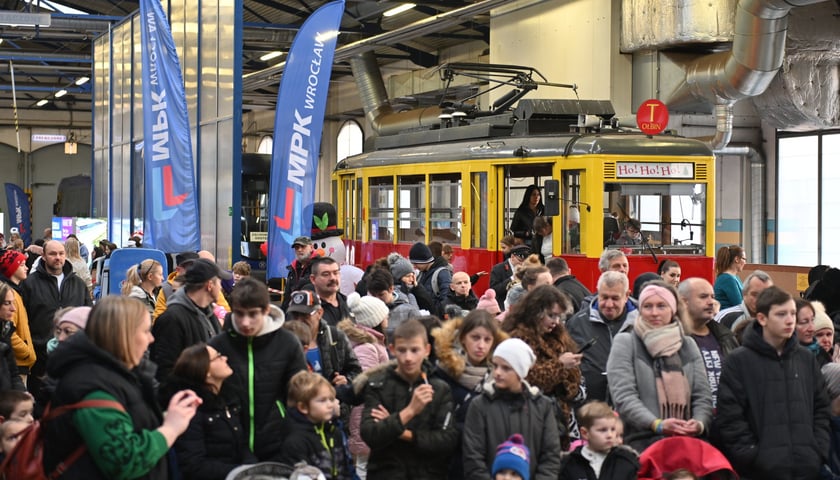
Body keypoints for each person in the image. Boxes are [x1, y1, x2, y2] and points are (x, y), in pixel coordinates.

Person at [43, 295, 202, 479]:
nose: (151, 339)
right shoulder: (91, 386)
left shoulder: (116, 374)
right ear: (124, 335)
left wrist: (171, 415)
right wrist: (170, 429)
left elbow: (132, 423)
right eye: (146, 331)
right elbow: (124, 461)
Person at [714, 286, 830, 480]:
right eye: (781, 314)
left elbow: (821, 407)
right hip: (759, 470)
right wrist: (751, 455)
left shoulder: (805, 358)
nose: (790, 320)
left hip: (806, 467)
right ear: (762, 318)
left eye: (793, 313)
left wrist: (817, 450)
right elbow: (730, 416)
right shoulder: (739, 361)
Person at [208, 277, 307, 461]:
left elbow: (299, 396)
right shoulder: (218, 345)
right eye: (239, 314)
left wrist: (295, 439)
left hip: (277, 443)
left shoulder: (287, 343)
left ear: (266, 311)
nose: (245, 322)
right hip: (230, 446)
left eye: (253, 314)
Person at [606, 281, 712, 451]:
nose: (654, 313)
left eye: (661, 306)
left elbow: (702, 394)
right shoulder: (626, 342)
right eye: (648, 306)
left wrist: (698, 423)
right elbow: (624, 396)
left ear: (673, 309)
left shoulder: (688, 345)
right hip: (639, 442)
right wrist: (657, 425)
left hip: (688, 442)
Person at [360, 319, 458, 479]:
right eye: (402, 350)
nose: (408, 358)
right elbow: (371, 435)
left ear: (426, 350)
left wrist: (402, 432)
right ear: (392, 349)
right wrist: (410, 411)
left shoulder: (439, 388)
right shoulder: (378, 384)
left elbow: (447, 441)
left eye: (414, 350)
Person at [462, 338, 562, 480]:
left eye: (506, 368)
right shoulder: (480, 405)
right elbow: (473, 457)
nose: (497, 372)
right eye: (495, 366)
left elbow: (550, 456)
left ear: (521, 371)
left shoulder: (542, 406)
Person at [504, 285, 583, 449]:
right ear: (535, 312)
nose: (556, 321)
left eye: (558, 316)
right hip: (530, 420)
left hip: (560, 420)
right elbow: (525, 378)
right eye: (551, 315)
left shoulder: (557, 336)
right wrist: (561, 366)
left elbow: (573, 381)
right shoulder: (518, 338)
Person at [432, 309, 507, 479]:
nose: (481, 345)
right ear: (463, 338)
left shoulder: (500, 377)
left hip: (488, 465)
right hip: (449, 466)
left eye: (487, 339)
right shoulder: (443, 374)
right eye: (475, 337)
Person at [163, 343, 256, 480]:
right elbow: (194, 465)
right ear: (206, 370)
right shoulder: (191, 409)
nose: (224, 358)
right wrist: (240, 472)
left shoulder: (229, 399)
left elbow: (242, 444)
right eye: (218, 357)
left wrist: (252, 467)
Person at [21, 239, 91, 395]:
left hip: (73, 355)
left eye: (61, 253)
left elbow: (89, 317)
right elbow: (23, 319)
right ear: (44, 256)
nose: (58, 257)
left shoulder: (78, 284)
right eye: (53, 254)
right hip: (40, 356)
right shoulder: (30, 284)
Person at [337, 296, 390, 480]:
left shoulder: (372, 343)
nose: (387, 320)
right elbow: (364, 390)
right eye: (385, 316)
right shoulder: (367, 348)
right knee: (363, 467)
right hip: (366, 420)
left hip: (372, 418)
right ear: (375, 320)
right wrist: (363, 431)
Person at [151, 259, 230, 381]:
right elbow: (164, 370)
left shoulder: (209, 314)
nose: (221, 287)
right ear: (210, 285)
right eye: (219, 282)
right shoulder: (172, 319)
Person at [566, 271, 639, 402]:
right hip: (590, 409)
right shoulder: (577, 324)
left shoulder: (642, 323)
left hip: (631, 407)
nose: (609, 304)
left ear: (627, 295)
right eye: (604, 297)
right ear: (597, 292)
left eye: (615, 298)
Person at [286, 290, 362, 405]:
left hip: (332, 413)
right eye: (295, 315)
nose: (299, 320)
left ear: (320, 313)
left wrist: (346, 379)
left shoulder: (336, 336)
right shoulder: (284, 340)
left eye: (305, 315)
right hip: (296, 415)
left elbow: (356, 371)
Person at [278, 371, 354, 479]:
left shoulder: (334, 432)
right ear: (303, 407)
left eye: (331, 399)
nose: (330, 405)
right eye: (322, 400)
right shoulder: (296, 442)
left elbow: (345, 470)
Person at [677, 278, 738, 408]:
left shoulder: (726, 336)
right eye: (703, 297)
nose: (711, 302)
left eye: (713, 297)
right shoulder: (673, 341)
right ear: (684, 301)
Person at [560, 401, 639, 480]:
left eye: (613, 429)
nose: (610, 435)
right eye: (603, 430)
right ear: (585, 433)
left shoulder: (625, 460)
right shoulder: (570, 463)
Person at [0, 249, 36, 382]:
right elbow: (8, 329)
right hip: (18, 362)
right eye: (21, 265)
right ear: (12, 268)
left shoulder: (16, 292)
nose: (26, 268)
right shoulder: (11, 295)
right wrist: (27, 352)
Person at [365, 268, 420, 339]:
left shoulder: (408, 310)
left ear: (391, 289)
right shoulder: (368, 309)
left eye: (381, 295)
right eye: (374, 295)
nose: (377, 299)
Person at [409, 242, 452, 316]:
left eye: (416, 263)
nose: (415, 266)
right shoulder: (422, 273)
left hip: (435, 319)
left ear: (425, 260)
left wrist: (434, 312)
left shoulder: (443, 273)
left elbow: (446, 300)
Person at [154, 251, 199, 319]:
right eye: (189, 268)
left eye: (196, 268)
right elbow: (158, 320)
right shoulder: (167, 290)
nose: (193, 271)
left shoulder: (205, 285)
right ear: (178, 270)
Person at [310, 257, 352, 327]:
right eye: (326, 274)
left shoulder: (348, 303)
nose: (333, 278)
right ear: (313, 279)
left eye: (336, 273)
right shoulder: (308, 309)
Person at [489, 245, 530, 312]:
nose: (522, 264)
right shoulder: (498, 268)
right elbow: (494, 289)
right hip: (503, 307)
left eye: (525, 262)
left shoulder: (528, 268)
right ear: (512, 257)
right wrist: (512, 278)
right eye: (520, 260)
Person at [0, 284, 25, 393]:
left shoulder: (6, 330)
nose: (13, 309)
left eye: (13, 303)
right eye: (7, 303)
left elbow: (13, 372)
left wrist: (23, 394)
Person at [282, 236, 318, 310]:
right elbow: (287, 295)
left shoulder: (319, 266)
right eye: (297, 247)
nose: (299, 250)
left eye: (303, 247)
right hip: (293, 311)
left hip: (311, 310)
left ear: (311, 247)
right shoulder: (293, 268)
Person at [795, 298, 831, 367]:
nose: (811, 328)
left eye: (812, 320)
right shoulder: (781, 357)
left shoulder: (822, 354)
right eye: (804, 322)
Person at [713, 245, 746, 310]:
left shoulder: (734, 277)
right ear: (736, 259)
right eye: (744, 259)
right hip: (727, 318)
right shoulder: (727, 279)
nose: (745, 262)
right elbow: (740, 305)